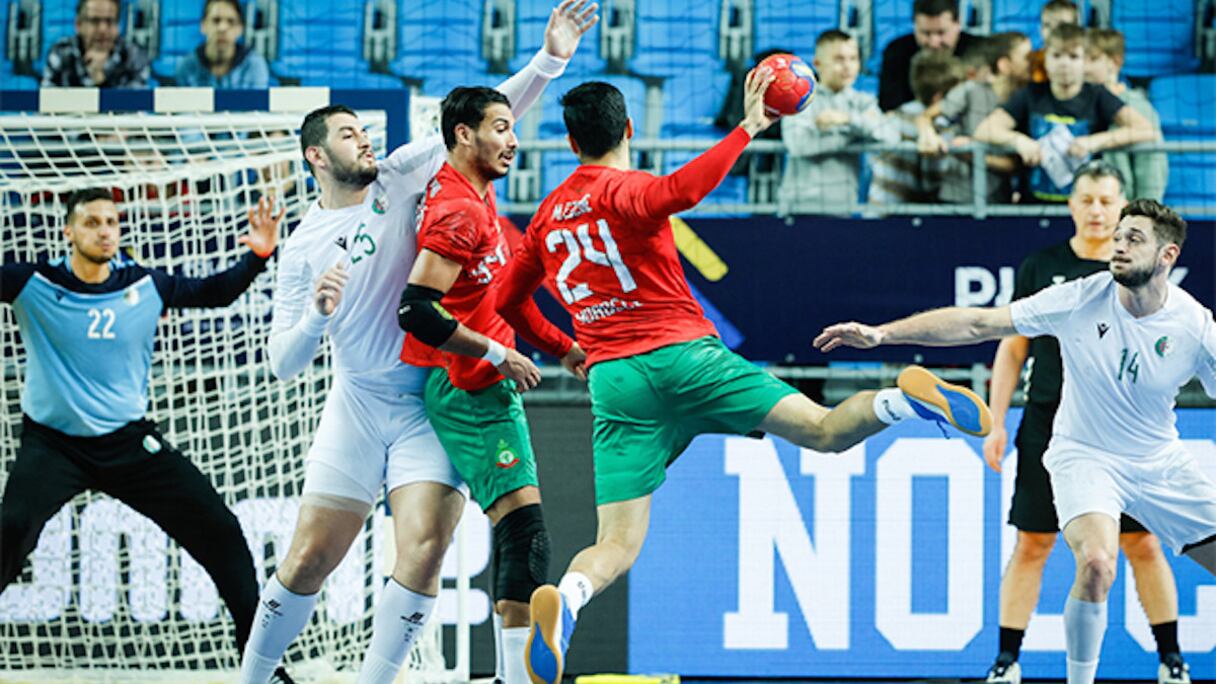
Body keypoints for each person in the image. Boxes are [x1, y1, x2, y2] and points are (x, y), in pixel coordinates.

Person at [495, 75, 994, 684]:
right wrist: (750, 126)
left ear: (570, 143)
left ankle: (568, 601)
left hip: (615, 382)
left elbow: (506, 301)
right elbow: (682, 190)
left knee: (617, 545)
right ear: (628, 131)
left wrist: (564, 348)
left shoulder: (547, 216)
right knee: (825, 430)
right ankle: (903, 401)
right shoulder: (628, 189)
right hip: (686, 358)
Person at [235, 3, 597, 684]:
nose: (364, 142)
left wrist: (551, 60)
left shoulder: (401, 175)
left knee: (425, 550)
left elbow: (488, 120)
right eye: (348, 135)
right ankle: (250, 679)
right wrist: (316, 316)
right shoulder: (302, 249)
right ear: (317, 155)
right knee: (310, 557)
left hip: (427, 402)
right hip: (357, 405)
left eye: (364, 131)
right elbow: (282, 364)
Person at [815, 198, 1216, 684]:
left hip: (1158, 461)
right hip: (1085, 456)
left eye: (1135, 239)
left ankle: (1171, 661)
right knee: (1096, 561)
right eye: (1118, 235)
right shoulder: (1081, 297)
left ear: (1167, 256)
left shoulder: (1195, 327)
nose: (1119, 245)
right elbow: (978, 323)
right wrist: (881, 335)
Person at [0, 189, 292, 683]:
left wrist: (258, 256)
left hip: (129, 444)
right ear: (68, 232)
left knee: (221, 530)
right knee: (9, 532)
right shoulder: (32, 282)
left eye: (112, 221)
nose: (104, 230)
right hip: (52, 445)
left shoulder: (145, 285)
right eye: (91, 222)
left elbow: (214, 293)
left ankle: (260, 666)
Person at [395, 86, 588, 684]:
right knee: (525, 534)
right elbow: (416, 310)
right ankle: (511, 675)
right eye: (501, 128)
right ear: (462, 135)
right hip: (472, 390)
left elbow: (506, 301)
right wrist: (498, 354)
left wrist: (563, 349)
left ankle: (509, 674)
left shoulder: (483, 201)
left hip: (482, 386)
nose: (514, 139)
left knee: (452, 545)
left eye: (512, 127)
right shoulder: (458, 211)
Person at [980, 162, 1190, 684]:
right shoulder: (1041, 265)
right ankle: (1006, 661)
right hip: (1051, 423)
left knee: (1142, 544)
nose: (1096, 210)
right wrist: (996, 422)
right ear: (1070, 205)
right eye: (1086, 200)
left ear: (1123, 209)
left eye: (1106, 201)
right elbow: (1012, 350)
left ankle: (1171, 660)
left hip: (1129, 432)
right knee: (1033, 541)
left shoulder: (1142, 271)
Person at [974, 23, 1154, 203]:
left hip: (1085, 211)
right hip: (1032, 209)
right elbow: (984, 130)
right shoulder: (1030, 94)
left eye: (1073, 57)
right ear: (1046, 59)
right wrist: (1019, 141)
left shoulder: (1098, 95)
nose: (1064, 64)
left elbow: (1146, 130)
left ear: (1085, 62)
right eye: (1057, 56)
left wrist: (1095, 141)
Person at [779, 30, 897, 216]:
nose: (848, 66)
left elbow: (891, 138)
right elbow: (798, 145)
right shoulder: (799, 99)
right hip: (798, 211)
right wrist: (855, 137)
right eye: (839, 59)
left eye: (853, 58)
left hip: (845, 212)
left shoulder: (863, 102)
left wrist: (847, 119)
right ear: (817, 64)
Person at [918, 31, 1031, 204]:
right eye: (1027, 58)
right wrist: (928, 135)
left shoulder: (1024, 101)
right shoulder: (971, 90)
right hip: (956, 200)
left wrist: (976, 156)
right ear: (1004, 65)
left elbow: (1014, 165)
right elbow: (925, 116)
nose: (1034, 62)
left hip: (997, 203)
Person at [869, 48, 964, 206]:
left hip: (878, 208)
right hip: (903, 216)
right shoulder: (940, 125)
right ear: (939, 98)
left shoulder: (898, 114)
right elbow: (931, 182)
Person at [1083, 28, 1167, 202]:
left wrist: (1142, 214)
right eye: (1081, 58)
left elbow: (1152, 171)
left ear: (1115, 63)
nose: (1084, 67)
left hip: (1121, 208)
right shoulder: (1078, 100)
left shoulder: (1138, 107)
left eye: (1092, 59)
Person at [878, 0, 980, 112]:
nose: (934, 42)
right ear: (914, 26)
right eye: (926, 33)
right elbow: (889, 107)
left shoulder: (979, 51)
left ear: (958, 24)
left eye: (941, 33)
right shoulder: (896, 52)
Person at [42, 0, 149, 87]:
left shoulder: (133, 55)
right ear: (78, 25)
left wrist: (101, 79)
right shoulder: (61, 53)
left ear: (117, 26)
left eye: (109, 21)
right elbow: (47, 104)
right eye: (94, 21)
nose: (102, 29)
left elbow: (135, 107)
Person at [175, 0, 270, 88]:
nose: (222, 28)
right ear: (203, 26)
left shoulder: (254, 66)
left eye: (231, 21)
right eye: (216, 20)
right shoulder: (187, 66)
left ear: (240, 29)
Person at [1028, 0, 1081, 84]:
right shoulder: (1033, 61)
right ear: (1040, 29)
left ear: (1075, 29)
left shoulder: (1083, 60)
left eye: (1061, 25)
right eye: (1047, 25)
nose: (1053, 30)